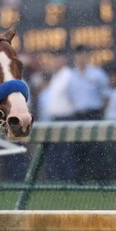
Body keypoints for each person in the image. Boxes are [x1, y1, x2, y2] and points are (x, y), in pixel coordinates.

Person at [68, 45, 112, 182]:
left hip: (94, 113)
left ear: (87, 57)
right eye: (78, 56)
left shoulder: (97, 74)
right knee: (79, 148)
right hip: (79, 114)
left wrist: (99, 112)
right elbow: (71, 97)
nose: (81, 59)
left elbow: (106, 96)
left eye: (83, 55)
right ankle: (80, 180)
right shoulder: (71, 76)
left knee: (97, 148)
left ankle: (101, 179)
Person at [43, 52, 75, 181]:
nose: (54, 62)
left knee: (66, 152)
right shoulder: (56, 76)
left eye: (56, 59)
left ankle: (68, 179)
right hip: (55, 119)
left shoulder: (69, 75)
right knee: (56, 151)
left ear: (64, 60)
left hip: (66, 118)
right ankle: (58, 179)